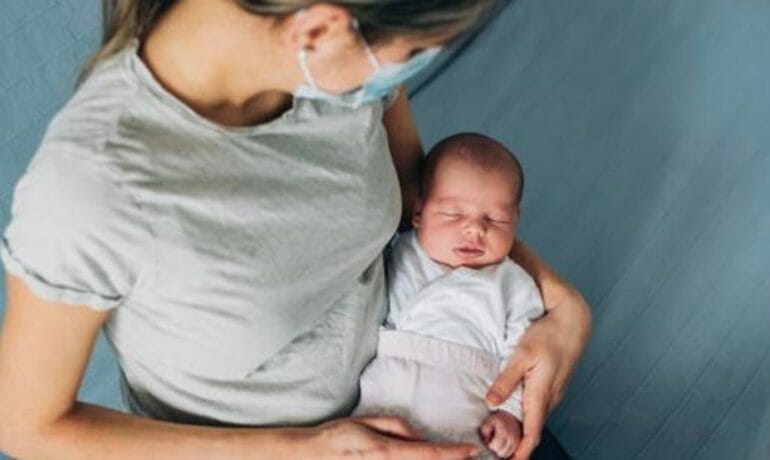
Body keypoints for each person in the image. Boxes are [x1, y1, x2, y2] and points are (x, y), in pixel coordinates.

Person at [0, 1, 591, 459]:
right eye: (412, 53)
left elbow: (419, 199)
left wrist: (560, 303)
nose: (403, 75)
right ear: (319, 31)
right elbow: (27, 426)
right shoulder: (94, 190)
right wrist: (307, 449)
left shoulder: (344, 70)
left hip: (436, 400)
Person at [355, 133, 544, 459]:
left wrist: (511, 413)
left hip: (466, 408)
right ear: (418, 212)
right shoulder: (398, 250)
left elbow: (524, 357)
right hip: (383, 398)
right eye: (454, 215)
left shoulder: (514, 284)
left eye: (495, 219)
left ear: (515, 223)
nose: (475, 230)